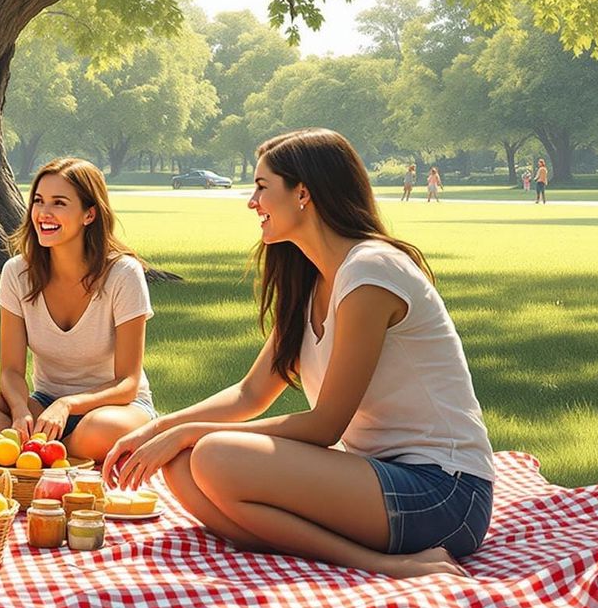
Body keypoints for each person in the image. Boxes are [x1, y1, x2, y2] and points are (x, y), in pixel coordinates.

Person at [104, 128, 494, 580]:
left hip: (446, 495)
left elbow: (326, 424)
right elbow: (250, 393)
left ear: (303, 193)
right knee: (180, 467)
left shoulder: (370, 270)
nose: (252, 202)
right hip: (381, 479)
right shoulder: (311, 283)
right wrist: (160, 430)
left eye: (262, 187)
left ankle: (387, 565)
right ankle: (357, 554)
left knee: (212, 455)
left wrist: (191, 432)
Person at [0, 158, 156, 464]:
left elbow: (127, 383)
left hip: (115, 410)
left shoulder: (123, 274)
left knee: (97, 431)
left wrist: (69, 405)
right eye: (39, 201)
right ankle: (57, 457)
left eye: (59, 203)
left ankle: (38, 457)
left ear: (89, 214)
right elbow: (10, 371)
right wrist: (19, 410)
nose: (44, 213)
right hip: (43, 407)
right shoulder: (17, 273)